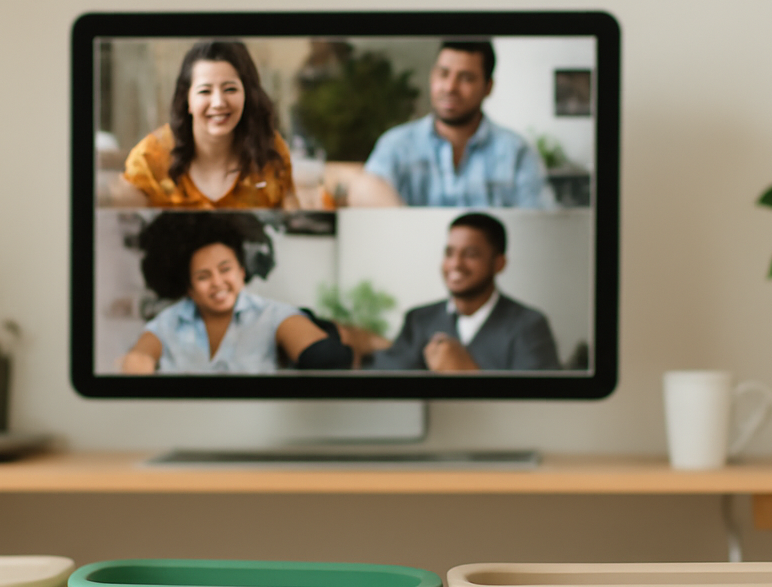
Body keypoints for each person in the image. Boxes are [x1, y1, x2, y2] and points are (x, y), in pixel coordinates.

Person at [121, 214, 349, 373]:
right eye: (203, 276)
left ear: (242, 272)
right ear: (189, 288)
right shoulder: (170, 322)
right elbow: (142, 353)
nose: (217, 282)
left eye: (225, 269)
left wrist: (321, 353)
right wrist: (138, 362)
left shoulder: (272, 315)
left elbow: (319, 352)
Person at [350, 42, 547, 209]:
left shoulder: (517, 152)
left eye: (466, 78)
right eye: (443, 74)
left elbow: (538, 224)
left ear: (488, 87)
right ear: (432, 77)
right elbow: (365, 192)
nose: (450, 87)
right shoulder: (396, 145)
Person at [362, 213, 560, 372]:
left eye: (471, 254)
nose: (455, 264)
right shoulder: (419, 319)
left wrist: (468, 372)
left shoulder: (529, 325)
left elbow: (540, 406)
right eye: (449, 253)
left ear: (499, 263)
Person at [114, 41, 299, 210]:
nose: (218, 102)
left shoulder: (269, 150)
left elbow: (292, 223)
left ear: (248, 95)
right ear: (187, 99)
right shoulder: (151, 157)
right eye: (205, 91)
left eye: (230, 89)